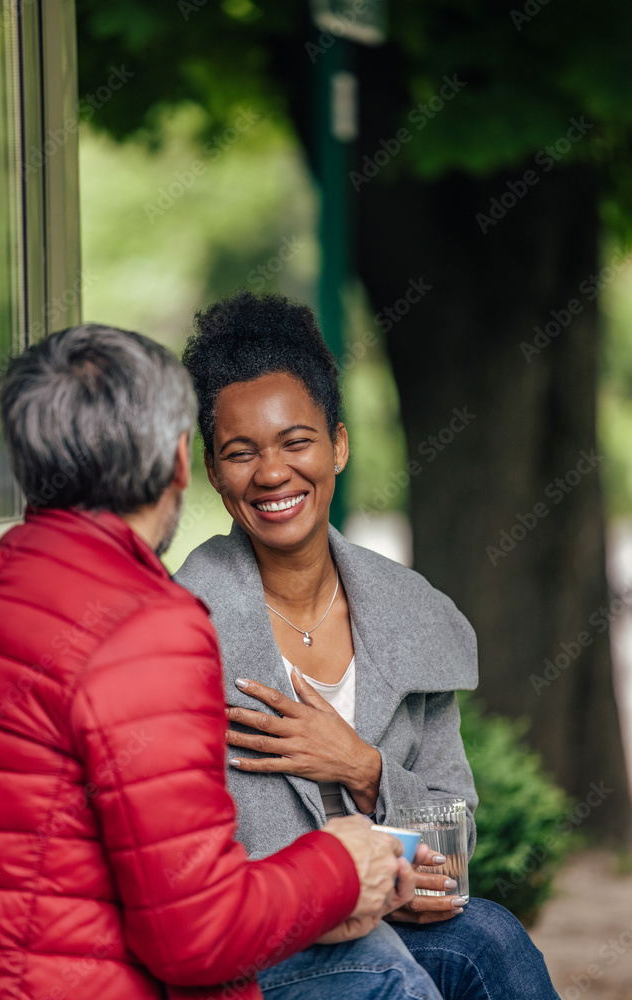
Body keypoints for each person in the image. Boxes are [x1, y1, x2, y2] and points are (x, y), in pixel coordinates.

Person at [0, 324, 441, 1000]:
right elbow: (197, 939)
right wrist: (341, 863)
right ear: (183, 464)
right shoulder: (144, 624)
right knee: (391, 979)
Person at [175, 291, 561, 1000]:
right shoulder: (183, 624)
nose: (270, 473)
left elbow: (452, 826)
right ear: (213, 471)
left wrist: (364, 769)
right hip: (269, 947)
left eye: (296, 441)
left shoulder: (408, 612)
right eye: (240, 452)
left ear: (338, 445)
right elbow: (180, 866)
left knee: (492, 938)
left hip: (385, 919)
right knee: (388, 972)